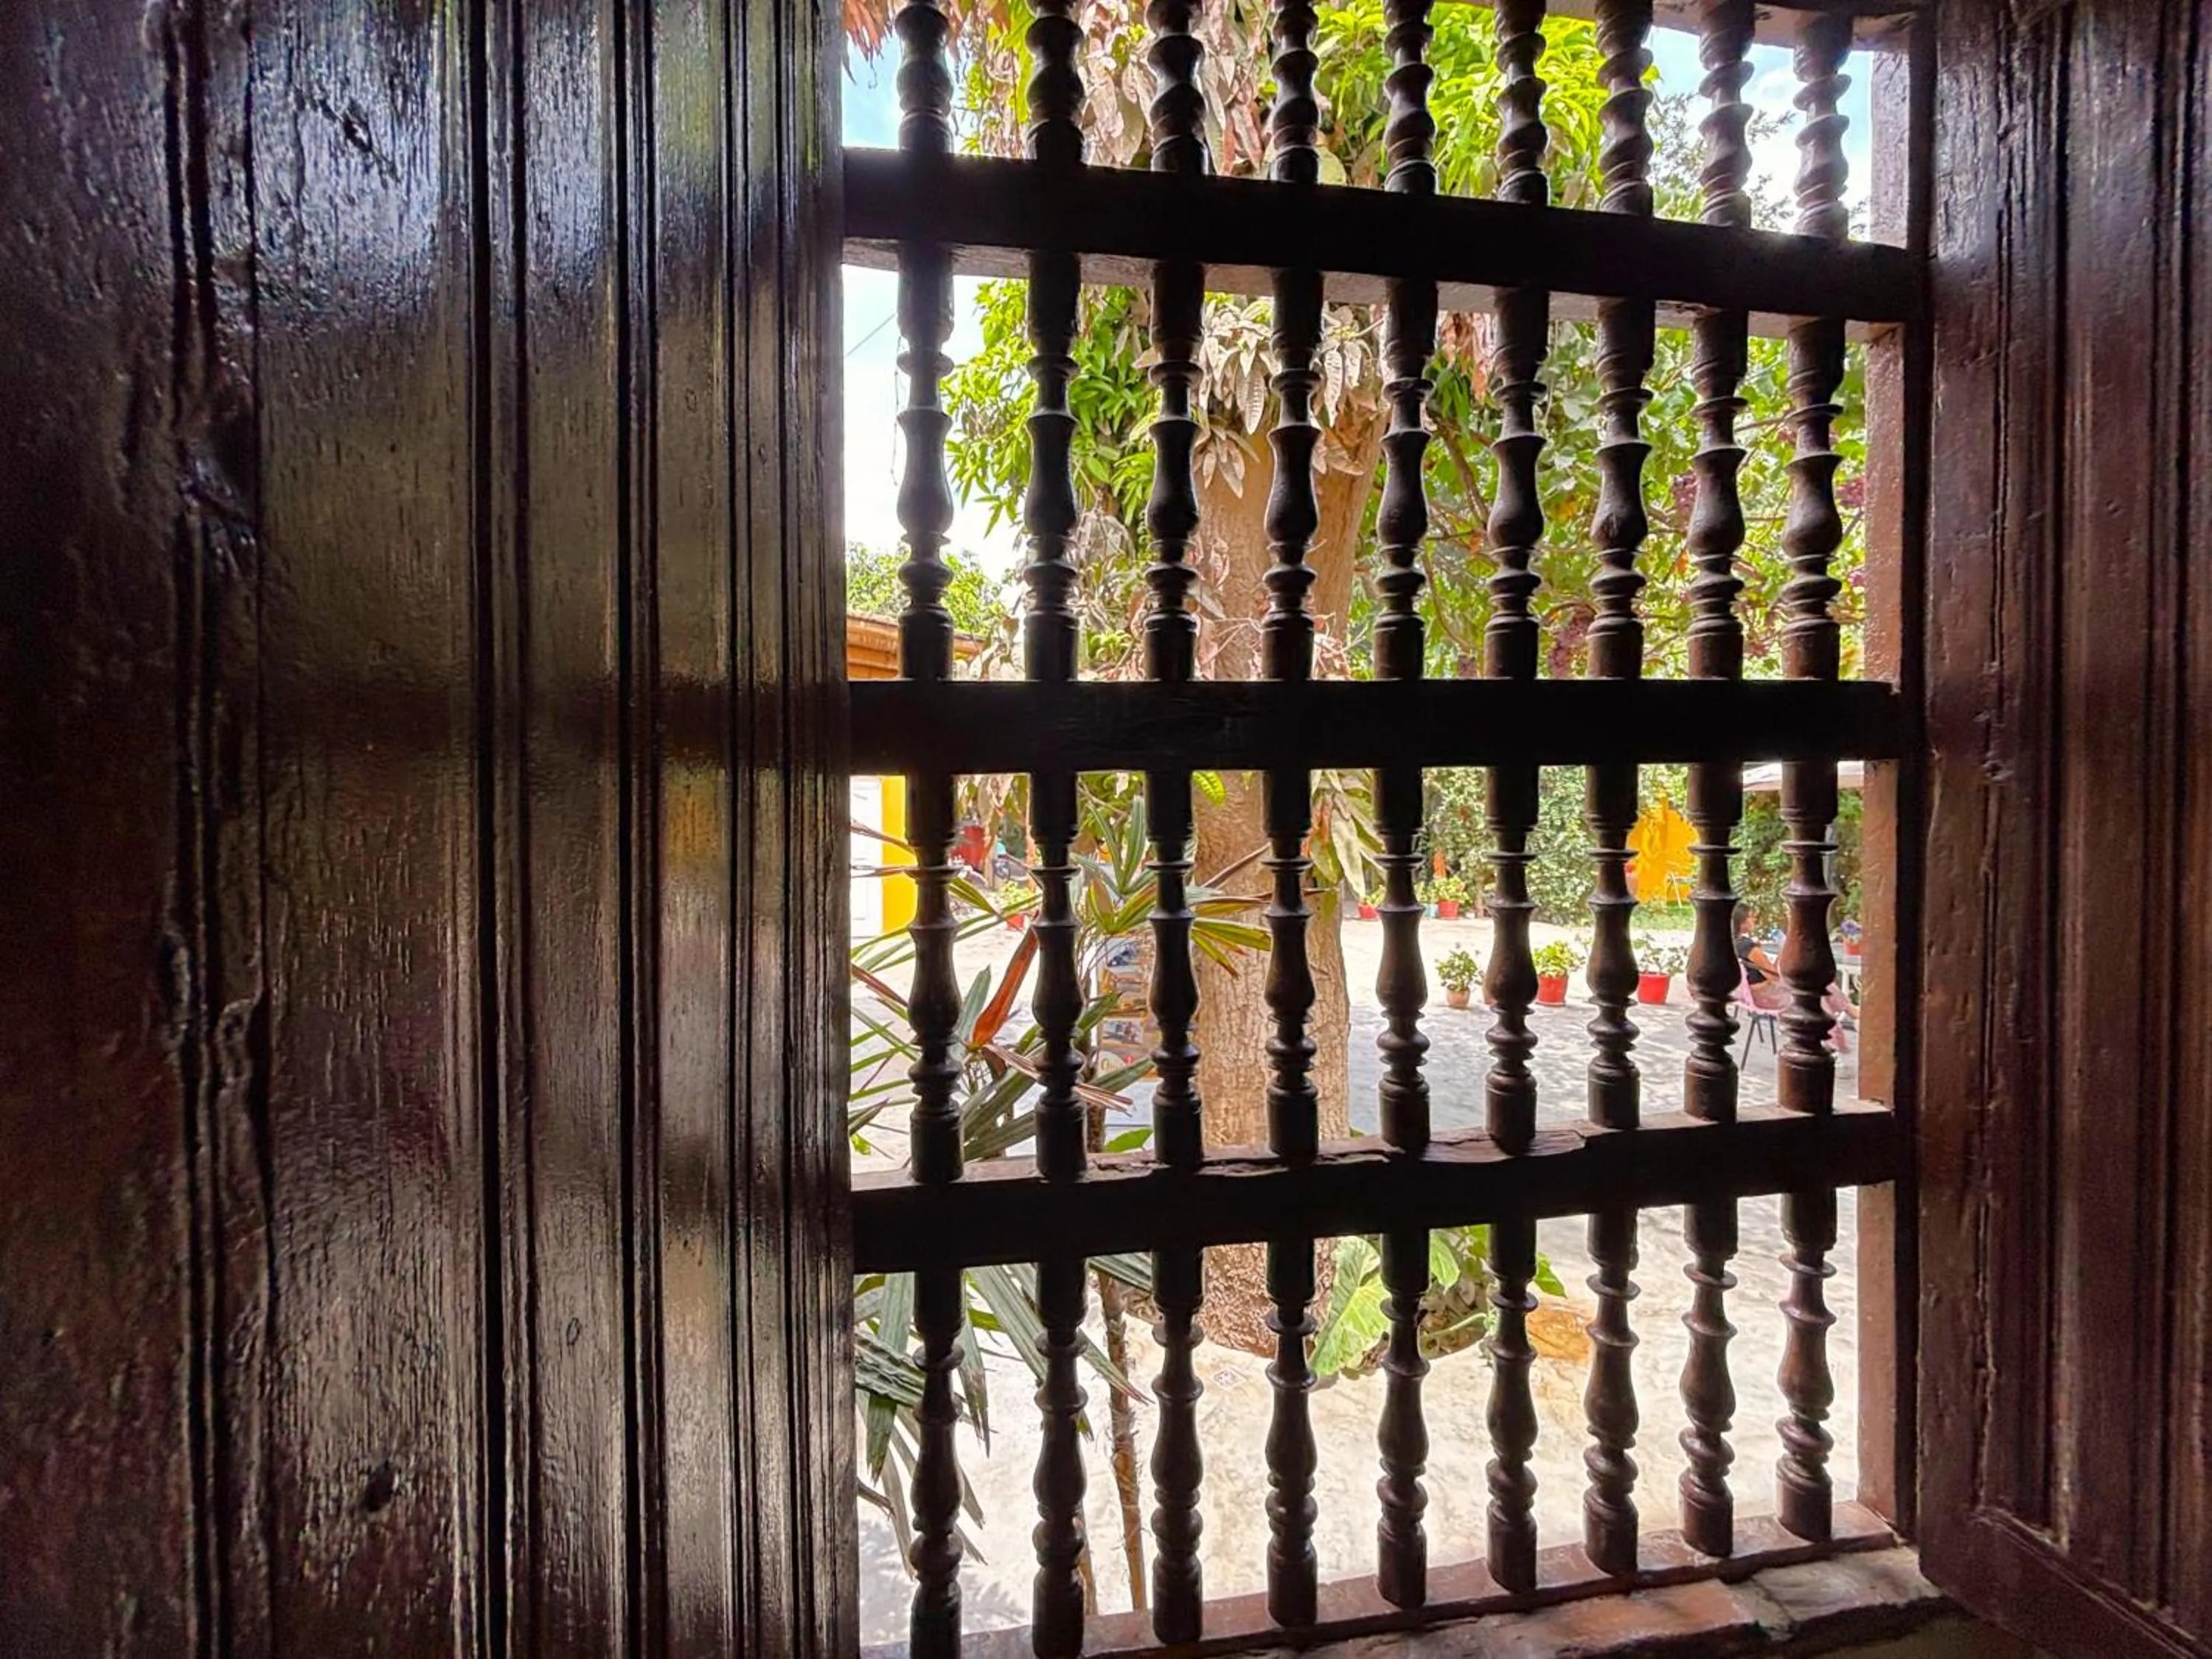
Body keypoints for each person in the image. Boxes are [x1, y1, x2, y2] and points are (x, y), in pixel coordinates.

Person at [1734, 903, 1788, 1009]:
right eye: (1751, 916)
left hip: (1744, 996)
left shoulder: (1729, 943)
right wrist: (1784, 948)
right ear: (1741, 922)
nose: (1755, 919)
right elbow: (1774, 976)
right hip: (1764, 996)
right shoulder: (1747, 946)